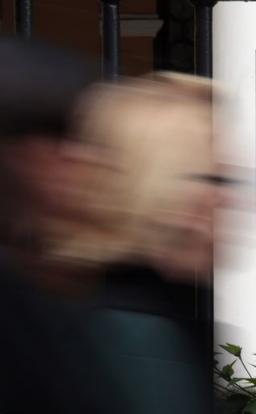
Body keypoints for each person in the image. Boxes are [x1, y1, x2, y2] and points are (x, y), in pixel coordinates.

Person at [0, 39, 237, 413]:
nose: (231, 201)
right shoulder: (121, 335)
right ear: (152, 185)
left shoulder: (160, 318)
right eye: (214, 180)